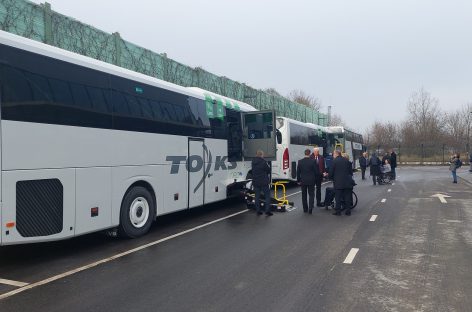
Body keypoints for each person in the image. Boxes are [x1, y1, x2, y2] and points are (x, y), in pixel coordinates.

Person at [329, 150, 354, 216]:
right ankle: (348, 211)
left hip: (338, 183)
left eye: (333, 154)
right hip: (347, 182)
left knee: (338, 197)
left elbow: (331, 172)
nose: (332, 155)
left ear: (336, 154)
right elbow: (351, 173)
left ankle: (338, 211)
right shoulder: (347, 161)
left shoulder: (334, 161)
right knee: (347, 197)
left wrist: (330, 178)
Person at [297, 149, 320, 214]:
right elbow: (316, 172)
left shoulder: (300, 161)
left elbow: (298, 172)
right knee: (311, 194)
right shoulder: (313, 161)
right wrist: (316, 179)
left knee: (304, 195)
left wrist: (298, 180)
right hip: (311, 180)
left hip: (303, 180)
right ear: (310, 154)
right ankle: (310, 208)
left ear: (304, 153)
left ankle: (305, 208)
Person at [251, 150, 273, 216]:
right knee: (267, 196)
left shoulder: (253, 162)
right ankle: (267, 211)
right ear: (261, 155)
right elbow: (269, 170)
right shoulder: (263, 162)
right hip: (263, 182)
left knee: (257, 196)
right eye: (263, 155)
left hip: (256, 181)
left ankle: (258, 210)